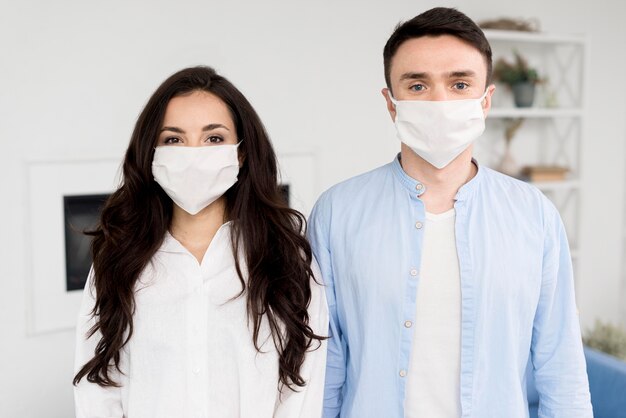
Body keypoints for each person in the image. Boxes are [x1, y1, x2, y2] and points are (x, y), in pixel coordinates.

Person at [308, 7, 592, 418]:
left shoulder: (535, 216)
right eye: (418, 85)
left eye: (460, 83)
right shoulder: (337, 212)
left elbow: (561, 365)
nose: (440, 101)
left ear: (485, 101)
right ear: (391, 103)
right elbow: (325, 360)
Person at [73, 66, 328, 418]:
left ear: (241, 153)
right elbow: (97, 390)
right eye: (174, 140)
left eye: (214, 138)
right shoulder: (118, 260)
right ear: (152, 154)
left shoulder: (287, 260)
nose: (193, 154)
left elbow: (301, 391)